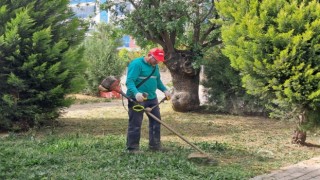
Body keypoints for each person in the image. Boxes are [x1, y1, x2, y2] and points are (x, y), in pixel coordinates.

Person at [125, 47, 171, 154]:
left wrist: (165, 90)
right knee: (135, 123)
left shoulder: (155, 67)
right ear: (149, 55)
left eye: (159, 60)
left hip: (152, 98)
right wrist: (136, 93)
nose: (158, 62)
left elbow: (157, 80)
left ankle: (155, 145)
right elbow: (129, 81)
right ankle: (132, 148)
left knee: (156, 121)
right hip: (137, 98)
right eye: (156, 59)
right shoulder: (136, 64)